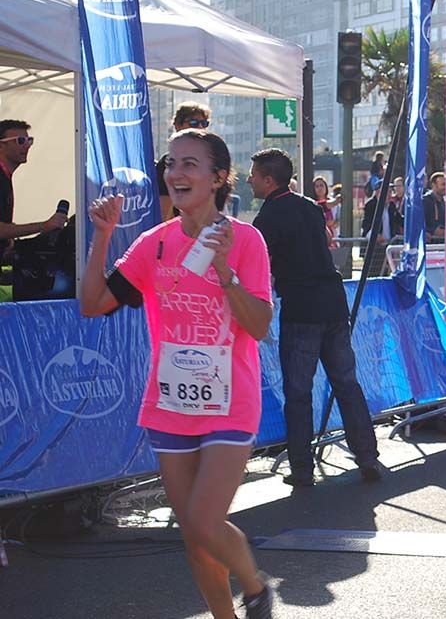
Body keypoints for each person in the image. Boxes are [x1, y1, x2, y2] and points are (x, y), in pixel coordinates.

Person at [81, 130, 276, 619]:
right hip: (170, 405)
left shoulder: (246, 240)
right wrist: (103, 236)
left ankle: (254, 587)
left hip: (231, 402)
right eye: (172, 163)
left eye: (190, 164)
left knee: (204, 521)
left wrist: (225, 269)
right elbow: (92, 305)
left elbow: (259, 326)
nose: (176, 173)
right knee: (194, 539)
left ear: (217, 178)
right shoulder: (155, 243)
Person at [249, 149, 381, 487]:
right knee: (347, 383)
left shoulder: (267, 218)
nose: (248, 179)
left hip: (301, 309)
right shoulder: (310, 207)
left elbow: (262, 268)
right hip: (333, 304)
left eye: (253, 174)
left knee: (298, 391)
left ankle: (302, 468)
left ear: (268, 179)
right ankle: (368, 456)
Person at [0, 120, 69, 254]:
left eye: (29, 140)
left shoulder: (5, 177)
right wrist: (45, 225)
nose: (27, 146)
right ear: (1, 146)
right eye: (20, 141)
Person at [156, 103, 211, 222]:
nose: (200, 127)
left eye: (204, 123)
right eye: (194, 123)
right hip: (181, 230)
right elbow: (165, 210)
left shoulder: (211, 159)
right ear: (178, 125)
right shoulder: (168, 162)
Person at [361, 179, 403, 275]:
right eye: (387, 191)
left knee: (388, 273)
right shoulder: (371, 205)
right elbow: (366, 225)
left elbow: (400, 221)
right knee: (373, 274)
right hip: (375, 248)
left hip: (389, 246)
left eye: (390, 192)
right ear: (378, 192)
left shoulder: (391, 206)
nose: (389, 194)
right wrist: (375, 235)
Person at [423, 171, 446, 242]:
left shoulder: (444, 202)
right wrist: (431, 231)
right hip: (429, 245)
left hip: (441, 243)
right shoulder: (425, 201)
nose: (445, 187)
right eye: (443, 184)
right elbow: (419, 222)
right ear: (434, 185)